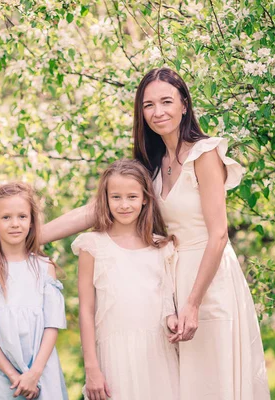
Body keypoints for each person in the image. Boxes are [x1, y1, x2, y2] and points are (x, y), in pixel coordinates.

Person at [43, 68, 270, 400]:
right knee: (181, 385)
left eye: (167, 101)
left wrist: (192, 303)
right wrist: (26, 240)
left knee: (213, 381)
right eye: (149, 105)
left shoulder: (204, 154)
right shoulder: (152, 163)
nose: (158, 112)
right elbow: (94, 210)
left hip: (209, 280)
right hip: (167, 280)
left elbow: (219, 234)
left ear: (184, 105)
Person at [72, 159, 180, 400]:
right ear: (106, 199)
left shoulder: (161, 247)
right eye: (116, 197)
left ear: (144, 198)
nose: (124, 205)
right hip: (114, 356)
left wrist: (171, 317)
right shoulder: (92, 246)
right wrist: (91, 368)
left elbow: (166, 299)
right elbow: (86, 310)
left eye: (132, 196)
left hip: (157, 354)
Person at [0, 182, 68, 400]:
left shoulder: (44, 267)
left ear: (31, 221)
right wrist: (13, 375)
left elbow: (52, 325)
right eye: (6, 217)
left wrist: (34, 374)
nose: (15, 224)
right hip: (0, 376)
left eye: (22, 216)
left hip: (41, 371)